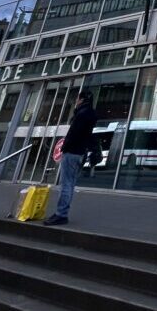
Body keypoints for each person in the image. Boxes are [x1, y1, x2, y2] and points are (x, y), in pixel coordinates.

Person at [44, 90, 96, 226]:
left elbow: (74, 133)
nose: (76, 101)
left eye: (77, 99)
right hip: (81, 153)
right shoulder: (91, 113)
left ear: (82, 99)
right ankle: (62, 213)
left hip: (72, 152)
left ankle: (61, 214)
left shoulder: (81, 114)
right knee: (70, 184)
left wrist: (65, 147)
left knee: (66, 184)